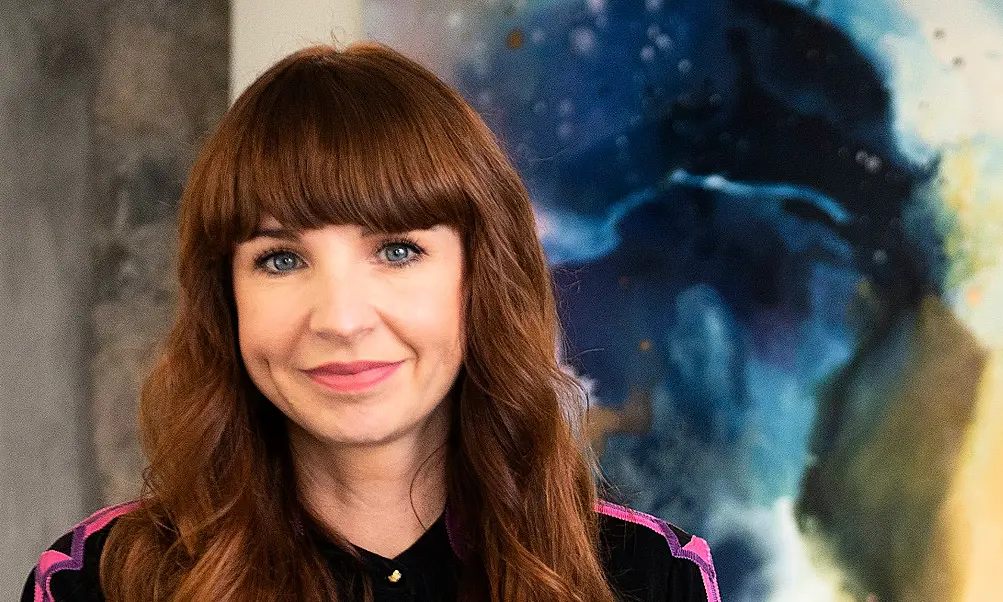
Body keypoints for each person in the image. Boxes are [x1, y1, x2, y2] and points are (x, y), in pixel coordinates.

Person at [22, 42, 721, 602]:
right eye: (281, 260)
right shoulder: (96, 582)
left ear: (481, 278)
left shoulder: (651, 578)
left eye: (397, 250)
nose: (342, 319)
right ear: (222, 297)